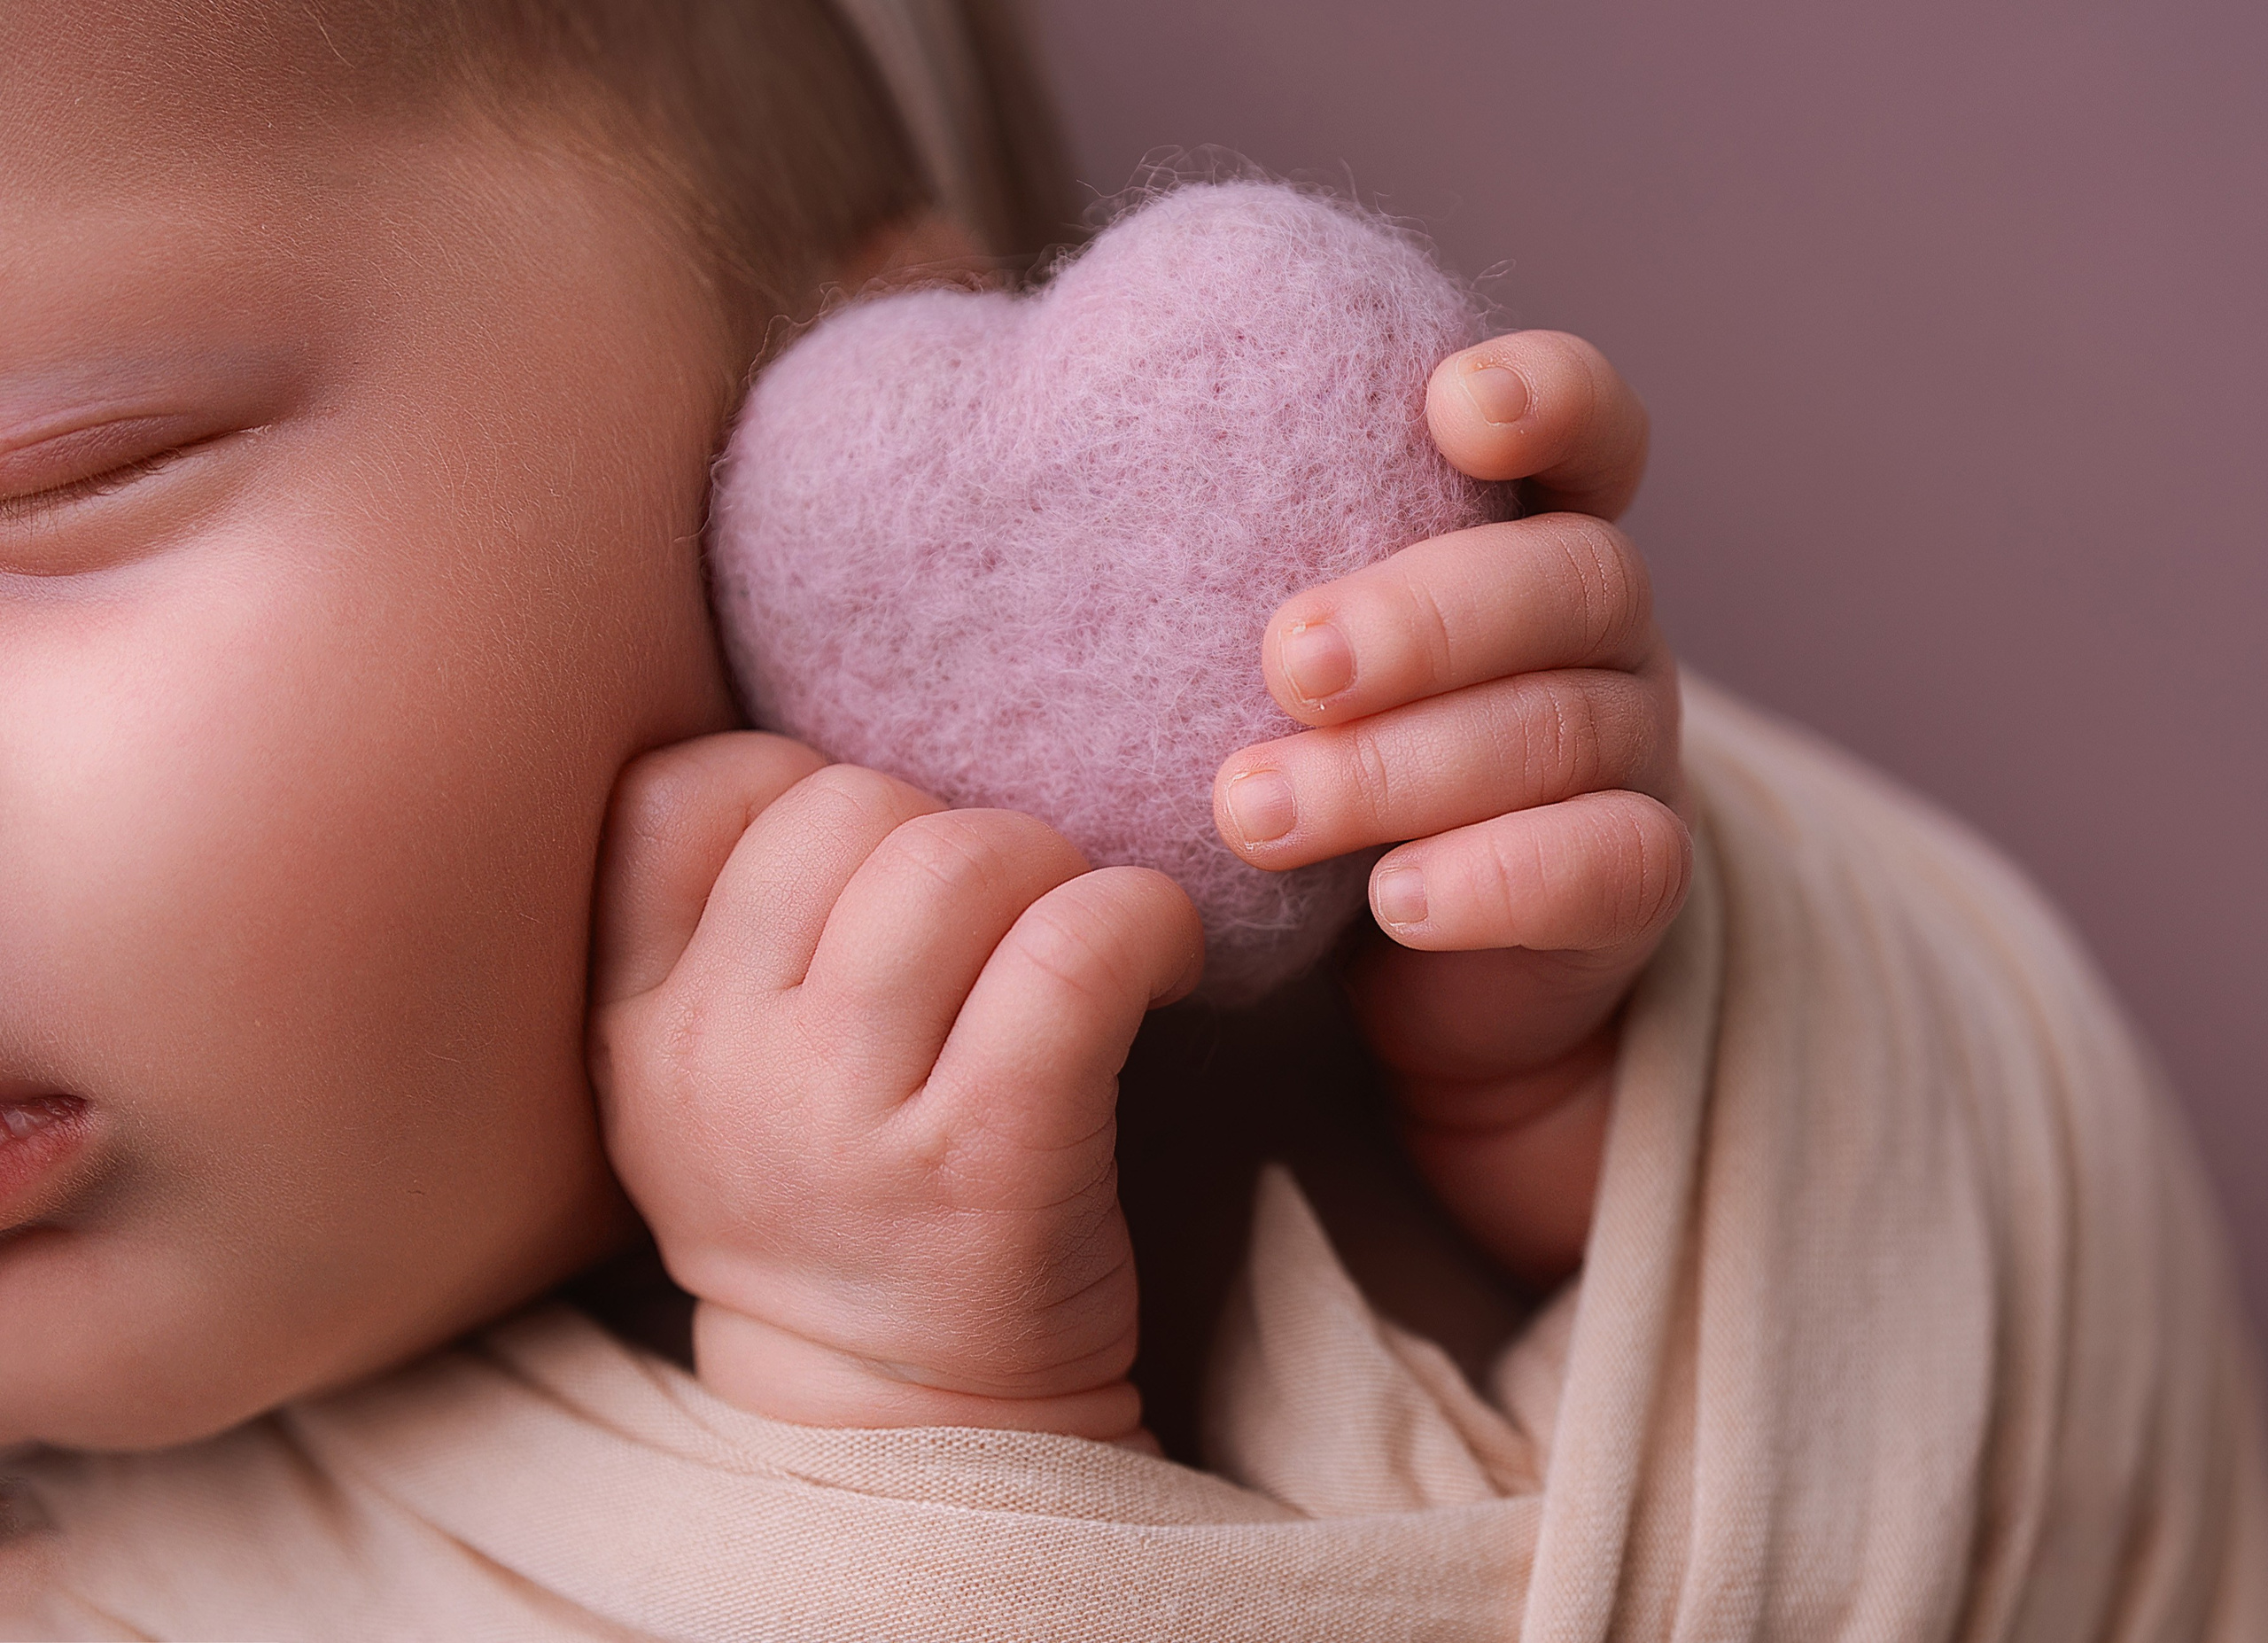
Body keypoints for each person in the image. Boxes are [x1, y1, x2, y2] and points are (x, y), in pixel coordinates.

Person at [5, 4, 2260, 1637]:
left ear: (820, 446)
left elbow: (2010, 1462)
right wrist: (911, 1455)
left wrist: (1597, 1109)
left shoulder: (1334, 1089)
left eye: (53, 482)